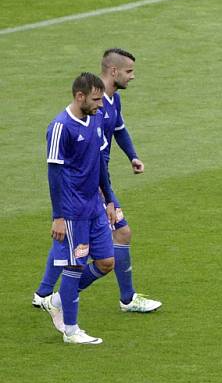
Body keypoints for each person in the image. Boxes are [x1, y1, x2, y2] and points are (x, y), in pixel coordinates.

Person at [33, 49, 161, 313]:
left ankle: (45, 294)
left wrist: (132, 157)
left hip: (97, 180)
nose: (133, 77)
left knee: (73, 241)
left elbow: (119, 131)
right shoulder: (90, 106)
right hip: (89, 184)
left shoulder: (110, 101)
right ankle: (117, 299)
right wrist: (105, 194)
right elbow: (62, 165)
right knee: (106, 238)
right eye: (129, 72)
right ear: (113, 72)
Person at [39, 72, 120, 344]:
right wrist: (58, 216)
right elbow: (54, 175)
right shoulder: (61, 127)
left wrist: (109, 200)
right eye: (96, 99)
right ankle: (71, 331)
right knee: (74, 267)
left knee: (107, 262)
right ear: (79, 96)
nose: (100, 104)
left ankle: (59, 300)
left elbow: (99, 164)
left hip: (95, 207)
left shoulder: (95, 119)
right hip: (72, 212)